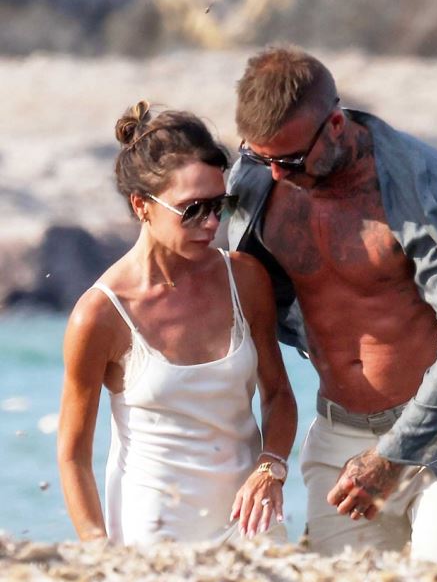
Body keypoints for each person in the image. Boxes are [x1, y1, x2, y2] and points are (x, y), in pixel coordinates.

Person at [227, 45, 437, 564]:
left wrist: (391, 457)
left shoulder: (432, 187)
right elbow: (242, 291)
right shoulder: (258, 181)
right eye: (261, 157)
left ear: (335, 125)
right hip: (338, 434)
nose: (276, 174)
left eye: (289, 160)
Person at [58, 100, 297, 545]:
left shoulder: (245, 279)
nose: (211, 223)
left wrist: (272, 467)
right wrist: (97, 548)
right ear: (141, 205)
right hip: (153, 536)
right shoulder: (100, 315)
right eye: (192, 209)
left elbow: (279, 394)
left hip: (252, 529)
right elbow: (73, 455)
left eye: (219, 205)